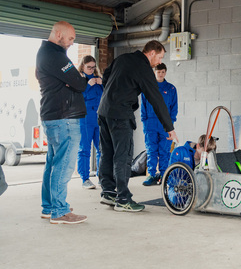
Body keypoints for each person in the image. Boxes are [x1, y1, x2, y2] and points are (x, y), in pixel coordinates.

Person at [97, 40, 179, 213]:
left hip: (104, 111)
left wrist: (112, 96)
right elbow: (156, 98)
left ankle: (108, 192)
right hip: (120, 115)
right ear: (151, 53)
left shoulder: (123, 58)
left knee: (107, 152)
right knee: (123, 156)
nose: (159, 62)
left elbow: (106, 75)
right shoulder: (143, 68)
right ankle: (123, 199)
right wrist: (169, 127)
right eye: (160, 57)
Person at [36, 21, 88, 224]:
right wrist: (76, 79)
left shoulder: (45, 54)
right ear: (58, 34)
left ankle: (49, 207)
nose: (72, 43)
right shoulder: (55, 56)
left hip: (54, 117)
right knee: (64, 164)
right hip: (63, 119)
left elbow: (74, 81)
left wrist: (73, 80)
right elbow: (80, 83)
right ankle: (60, 211)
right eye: (70, 39)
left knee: (53, 163)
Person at [141, 63, 177, 186]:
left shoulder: (171, 89)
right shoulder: (148, 88)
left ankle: (163, 174)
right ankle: (151, 175)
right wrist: (145, 122)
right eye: (158, 72)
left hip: (165, 125)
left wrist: (170, 125)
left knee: (164, 150)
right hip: (150, 123)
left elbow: (174, 108)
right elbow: (143, 108)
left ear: (165, 72)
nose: (160, 74)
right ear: (154, 72)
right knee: (151, 150)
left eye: (162, 72)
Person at [77, 55, 103, 190]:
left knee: (101, 149)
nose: (92, 70)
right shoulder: (79, 80)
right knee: (84, 149)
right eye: (89, 67)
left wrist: (102, 83)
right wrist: (87, 86)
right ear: (83, 66)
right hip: (85, 118)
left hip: (99, 118)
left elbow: (106, 96)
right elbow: (77, 99)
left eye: (93, 67)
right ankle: (85, 179)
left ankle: (101, 177)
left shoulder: (98, 80)